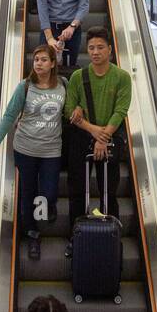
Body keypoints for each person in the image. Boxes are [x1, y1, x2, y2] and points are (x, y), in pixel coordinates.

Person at [0, 45, 68, 261]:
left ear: (52, 63)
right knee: (28, 192)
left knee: (48, 192)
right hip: (25, 148)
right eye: (36, 59)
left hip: (51, 149)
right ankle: (32, 233)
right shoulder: (26, 86)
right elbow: (11, 114)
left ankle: (47, 205)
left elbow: (69, 110)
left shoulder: (63, 85)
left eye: (43, 60)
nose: (38, 63)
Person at [64, 26, 132, 246]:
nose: (95, 52)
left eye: (100, 47)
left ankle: (111, 237)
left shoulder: (121, 77)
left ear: (110, 50)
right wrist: (92, 129)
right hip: (82, 137)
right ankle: (75, 237)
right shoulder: (77, 76)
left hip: (109, 137)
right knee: (76, 189)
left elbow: (121, 111)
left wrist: (102, 138)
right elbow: (68, 109)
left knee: (108, 191)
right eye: (91, 47)